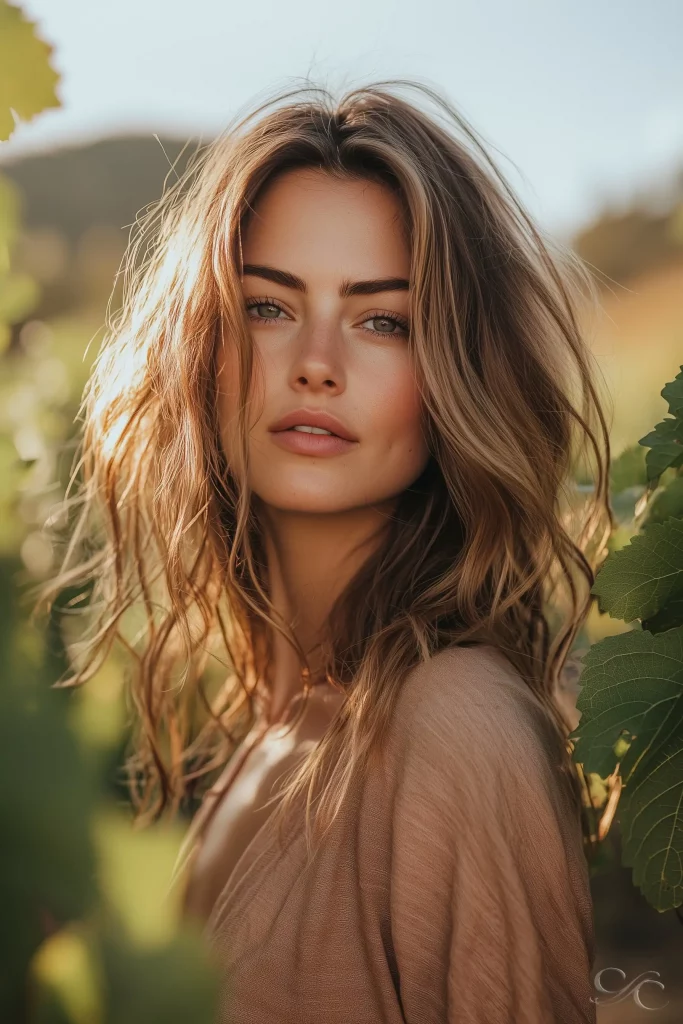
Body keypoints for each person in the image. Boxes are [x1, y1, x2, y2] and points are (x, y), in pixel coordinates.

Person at [44, 79, 612, 1022]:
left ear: (454, 374)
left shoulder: (453, 732)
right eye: (268, 307)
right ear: (204, 347)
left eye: (381, 320)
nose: (317, 361)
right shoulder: (285, 724)